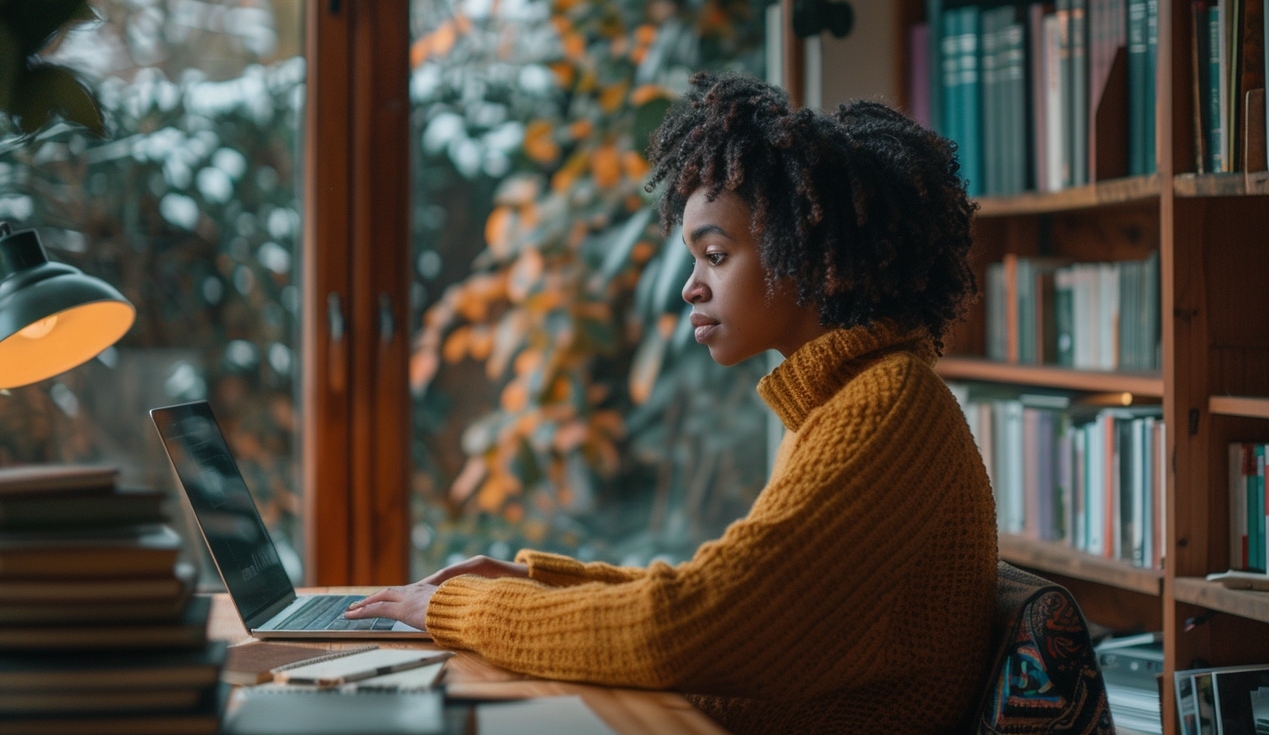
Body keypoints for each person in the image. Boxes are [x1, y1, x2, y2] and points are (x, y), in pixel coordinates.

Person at [346, 70, 998, 734]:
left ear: (813, 255)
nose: (691, 287)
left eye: (715, 254)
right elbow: (716, 597)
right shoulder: (847, 403)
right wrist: (533, 582)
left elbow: (688, 628)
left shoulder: (887, 409)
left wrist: (461, 611)